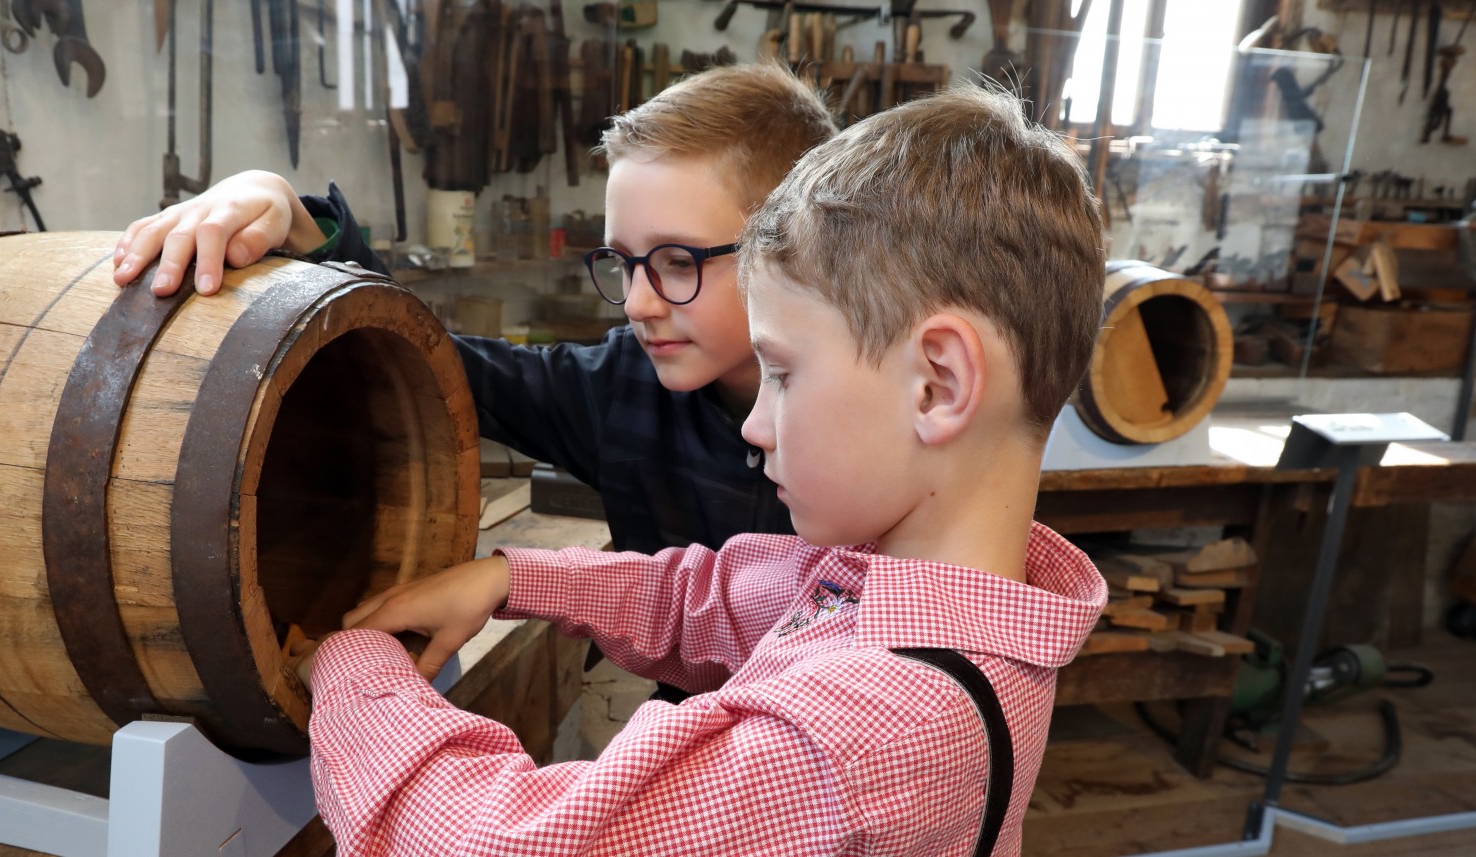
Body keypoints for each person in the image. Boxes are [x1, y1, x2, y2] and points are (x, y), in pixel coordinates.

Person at [297, 83, 1111, 856]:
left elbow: (480, 840)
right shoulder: (910, 592)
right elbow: (704, 600)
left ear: (939, 383)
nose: (756, 425)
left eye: (784, 373)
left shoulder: (859, 736)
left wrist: (351, 664)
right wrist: (513, 578)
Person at [111, 65, 837, 697]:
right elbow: (428, 366)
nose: (640, 302)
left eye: (677, 262)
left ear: (792, 250)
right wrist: (303, 227)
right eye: (621, 263)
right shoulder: (624, 386)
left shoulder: (879, 437)